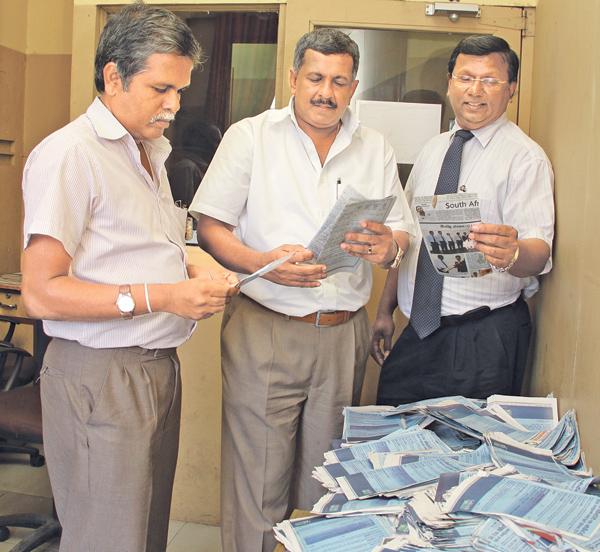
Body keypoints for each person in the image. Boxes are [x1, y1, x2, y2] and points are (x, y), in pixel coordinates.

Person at [21, 5, 238, 551]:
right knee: (106, 540)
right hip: (101, 374)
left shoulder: (148, 152)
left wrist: (191, 263)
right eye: (161, 88)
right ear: (114, 75)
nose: (174, 106)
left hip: (152, 369)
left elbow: (131, 249)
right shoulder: (72, 156)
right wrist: (166, 295)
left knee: (143, 535)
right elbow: (41, 292)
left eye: (181, 91)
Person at [189, 28, 414, 552]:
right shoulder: (251, 136)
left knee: (327, 482)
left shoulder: (374, 145)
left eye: (338, 81)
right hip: (266, 329)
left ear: (353, 86)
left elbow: (399, 231)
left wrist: (389, 248)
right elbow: (212, 227)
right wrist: (262, 265)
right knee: (257, 482)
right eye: (315, 78)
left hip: (342, 337)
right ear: (293, 78)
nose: (325, 92)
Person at [372, 35, 554, 405]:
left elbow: (541, 252)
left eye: (489, 80)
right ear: (450, 82)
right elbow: (410, 235)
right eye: (465, 77)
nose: (475, 90)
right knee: (391, 440)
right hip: (418, 331)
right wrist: (384, 310)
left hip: (482, 339)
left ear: (512, 89)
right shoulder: (434, 149)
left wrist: (514, 252)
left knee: (469, 456)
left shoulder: (525, 159)